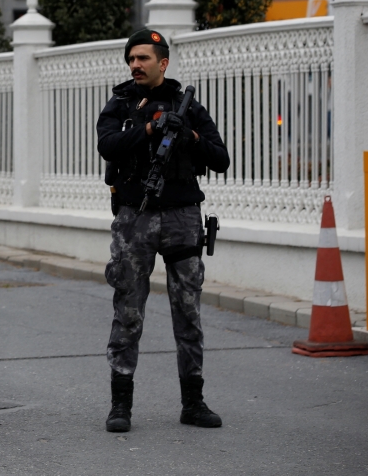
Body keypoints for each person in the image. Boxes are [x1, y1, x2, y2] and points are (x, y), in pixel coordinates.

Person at [96, 28, 230, 433]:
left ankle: (193, 401)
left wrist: (187, 134)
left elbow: (220, 157)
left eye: (143, 58)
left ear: (163, 62)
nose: (135, 65)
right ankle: (121, 405)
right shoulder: (120, 103)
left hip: (182, 217)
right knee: (128, 311)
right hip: (134, 218)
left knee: (187, 312)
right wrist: (151, 129)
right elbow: (108, 145)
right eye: (131, 58)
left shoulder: (187, 106)